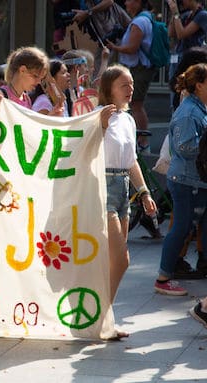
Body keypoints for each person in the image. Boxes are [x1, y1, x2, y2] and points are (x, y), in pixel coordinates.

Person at [98, 65, 157, 319]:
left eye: (132, 84)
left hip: (123, 190)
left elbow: (131, 160)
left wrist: (144, 193)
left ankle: (99, 313)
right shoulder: (97, 115)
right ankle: (102, 316)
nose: (131, 89)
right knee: (121, 259)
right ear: (109, 88)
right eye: (124, 85)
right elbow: (82, 149)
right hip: (102, 187)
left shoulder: (129, 119)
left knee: (113, 261)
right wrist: (99, 126)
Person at [155, 63, 207, 295]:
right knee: (181, 227)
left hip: (196, 179)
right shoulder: (189, 113)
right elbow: (185, 146)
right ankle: (164, 277)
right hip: (186, 180)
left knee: (196, 225)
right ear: (199, 85)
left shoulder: (198, 107)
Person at [106, 0, 157, 152]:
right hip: (138, 68)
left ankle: (142, 143)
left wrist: (114, 47)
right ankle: (140, 141)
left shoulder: (140, 21)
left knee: (136, 104)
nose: (126, 3)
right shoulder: (143, 18)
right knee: (135, 104)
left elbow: (132, 47)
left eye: (129, 0)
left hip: (138, 68)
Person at [166, 0, 207, 111]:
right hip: (179, 59)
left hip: (192, 60)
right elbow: (171, 33)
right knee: (175, 91)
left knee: (186, 91)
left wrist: (175, 12)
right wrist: (174, 13)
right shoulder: (186, 15)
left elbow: (181, 34)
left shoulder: (202, 15)